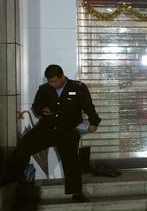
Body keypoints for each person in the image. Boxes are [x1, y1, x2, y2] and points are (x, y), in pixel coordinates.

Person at [0, 64, 101, 203]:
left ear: (62, 76)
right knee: (24, 145)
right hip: (48, 128)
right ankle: (8, 177)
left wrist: (94, 122)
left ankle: (77, 193)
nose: (52, 84)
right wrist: (42, 110)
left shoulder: (78, 88)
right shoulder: (44, 89)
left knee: (72, 162)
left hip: (69, 131)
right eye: (49, 81)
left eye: (54, 81)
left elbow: (88, 106)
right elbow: (36, 106)